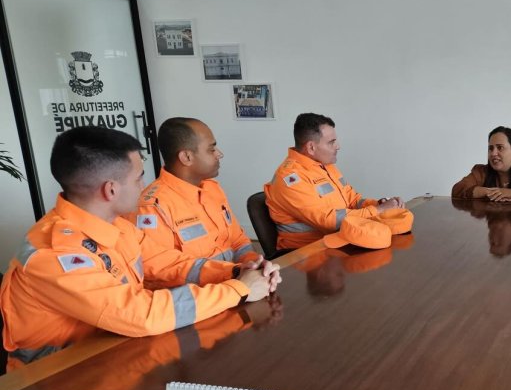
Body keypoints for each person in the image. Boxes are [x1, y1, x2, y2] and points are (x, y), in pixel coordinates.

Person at [0, 126, 280, 367]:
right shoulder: (55, 253)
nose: (144, 185)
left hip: (114, 351)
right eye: (138, 178)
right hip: (51, 381)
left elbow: (168, 263)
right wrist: (239, 290)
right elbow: (139, 313)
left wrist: (236, 272)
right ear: (110, 190)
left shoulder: (116, 225)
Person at [132, 117, 266, 288]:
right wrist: (235, 272)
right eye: (211, 149)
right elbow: (161, 270)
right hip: (200, 300)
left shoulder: (212, 189)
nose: (219, 154)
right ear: (187, 156)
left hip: (236, 285)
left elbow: (238, 241)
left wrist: (255, 264)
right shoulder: (152, 207)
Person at [265, 112, 404, 250]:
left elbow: (353, 201)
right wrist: (378, 210)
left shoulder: (326, 165)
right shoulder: (289, 179)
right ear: (311, 147)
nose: (338, 146)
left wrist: (380, 203)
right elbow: (328, 220)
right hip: (306, 253)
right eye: (331, 142)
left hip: (338, 241)